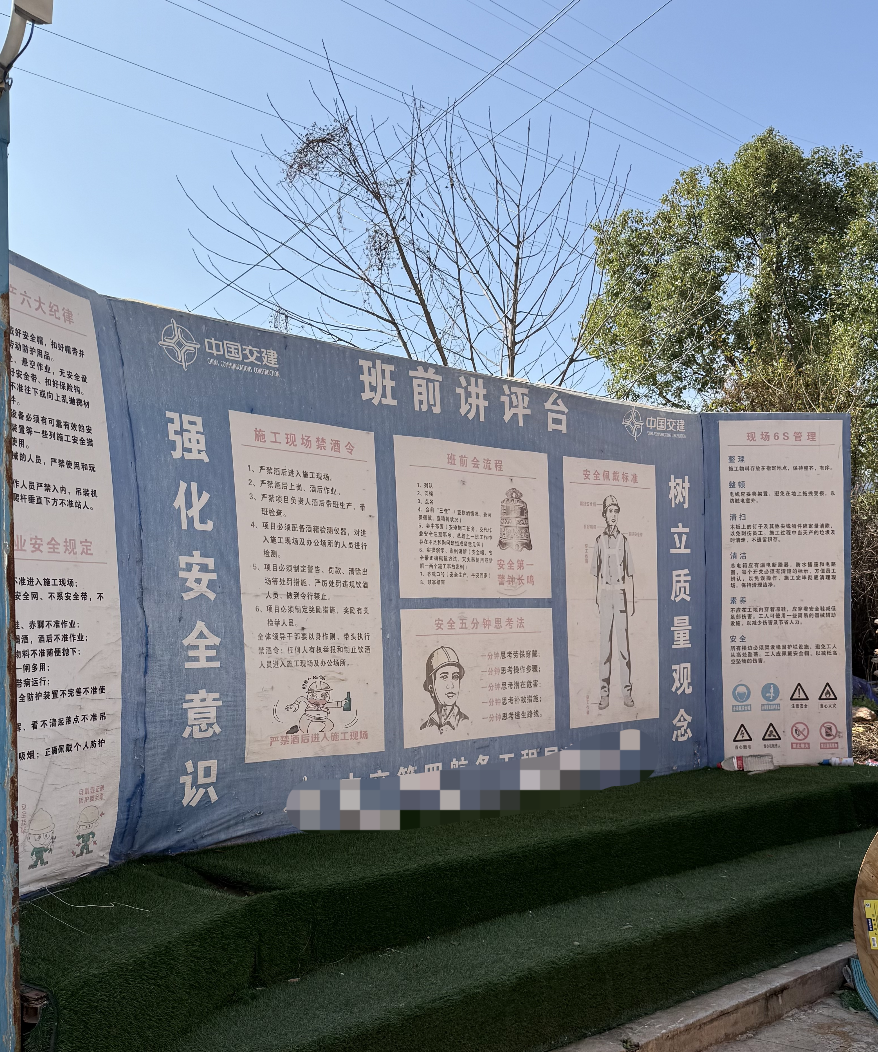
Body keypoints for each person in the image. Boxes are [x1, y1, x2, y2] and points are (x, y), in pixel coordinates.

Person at [590, 494, 635, 709]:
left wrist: (632, 602)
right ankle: (604, 694)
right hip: (605, 596)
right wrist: (595, 601)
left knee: (623, 648)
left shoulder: (624, 541)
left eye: (616, 511)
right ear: (604, 514)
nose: (613, 515)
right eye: (610, 511)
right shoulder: (599, 541)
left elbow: (631, 574)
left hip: (620, 596)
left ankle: (627, 693)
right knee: (605, 649)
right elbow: (594, 574)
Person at [421, 646, 469, 732]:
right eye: (444, 677)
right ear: (431, 687)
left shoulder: (466, 723)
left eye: (455, 677)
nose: (451, 685)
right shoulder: (425, 727)